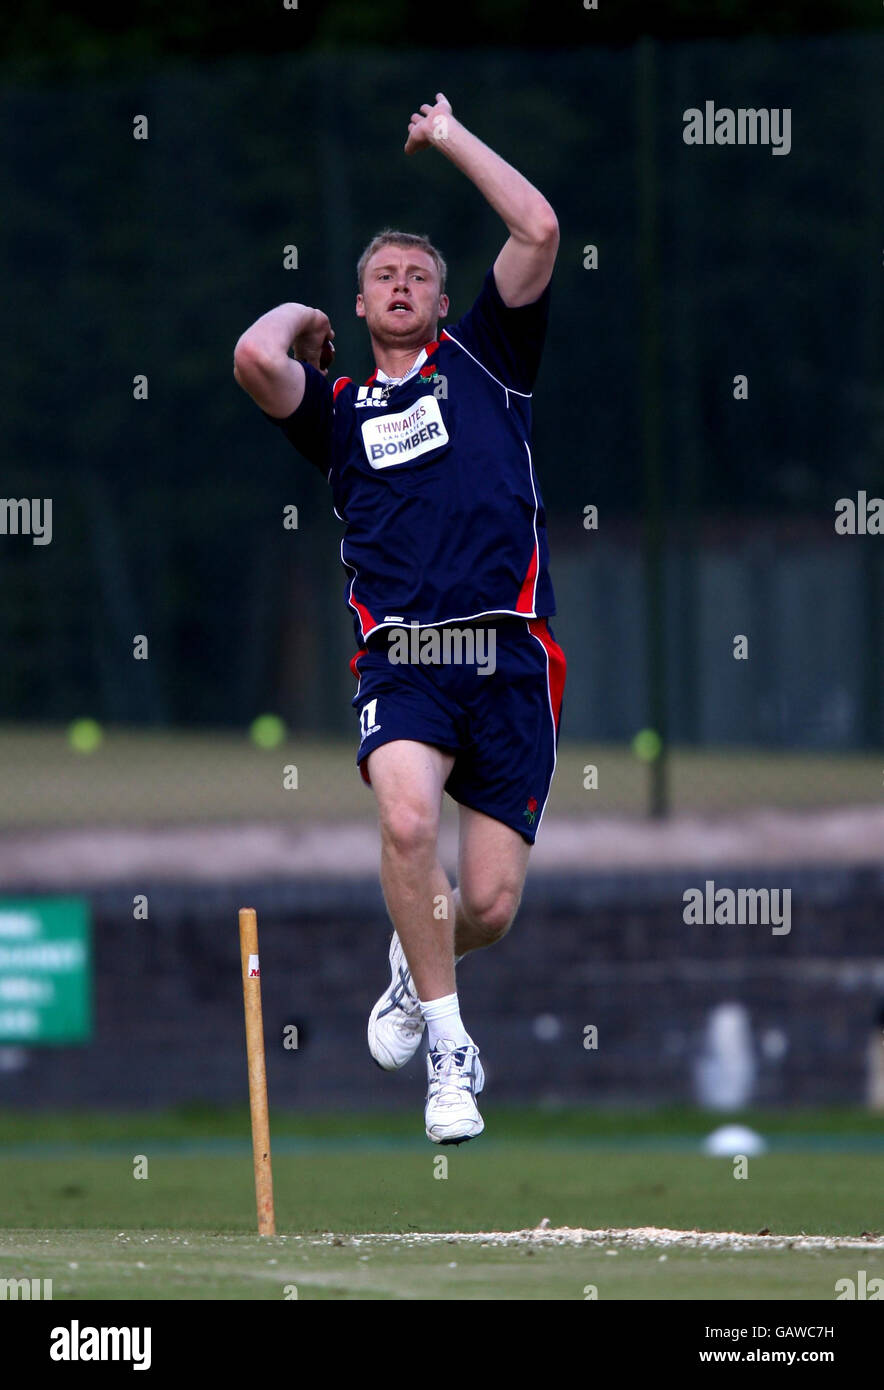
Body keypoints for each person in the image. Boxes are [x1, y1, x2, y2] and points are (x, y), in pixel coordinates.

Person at [234, 93, 566, 1145]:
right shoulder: (338, 411)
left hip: (509, 654)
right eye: (383, 274)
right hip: (405, 658)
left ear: (436, 297)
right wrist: (303, 318)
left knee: (491, 906)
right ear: (361, 300)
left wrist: (450, 136)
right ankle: (448, 1053)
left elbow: (539, 229)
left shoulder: (486, 360)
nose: (403, 284)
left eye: (418, 274)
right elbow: (253, 358)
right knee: (407, 823)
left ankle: (406, 957)